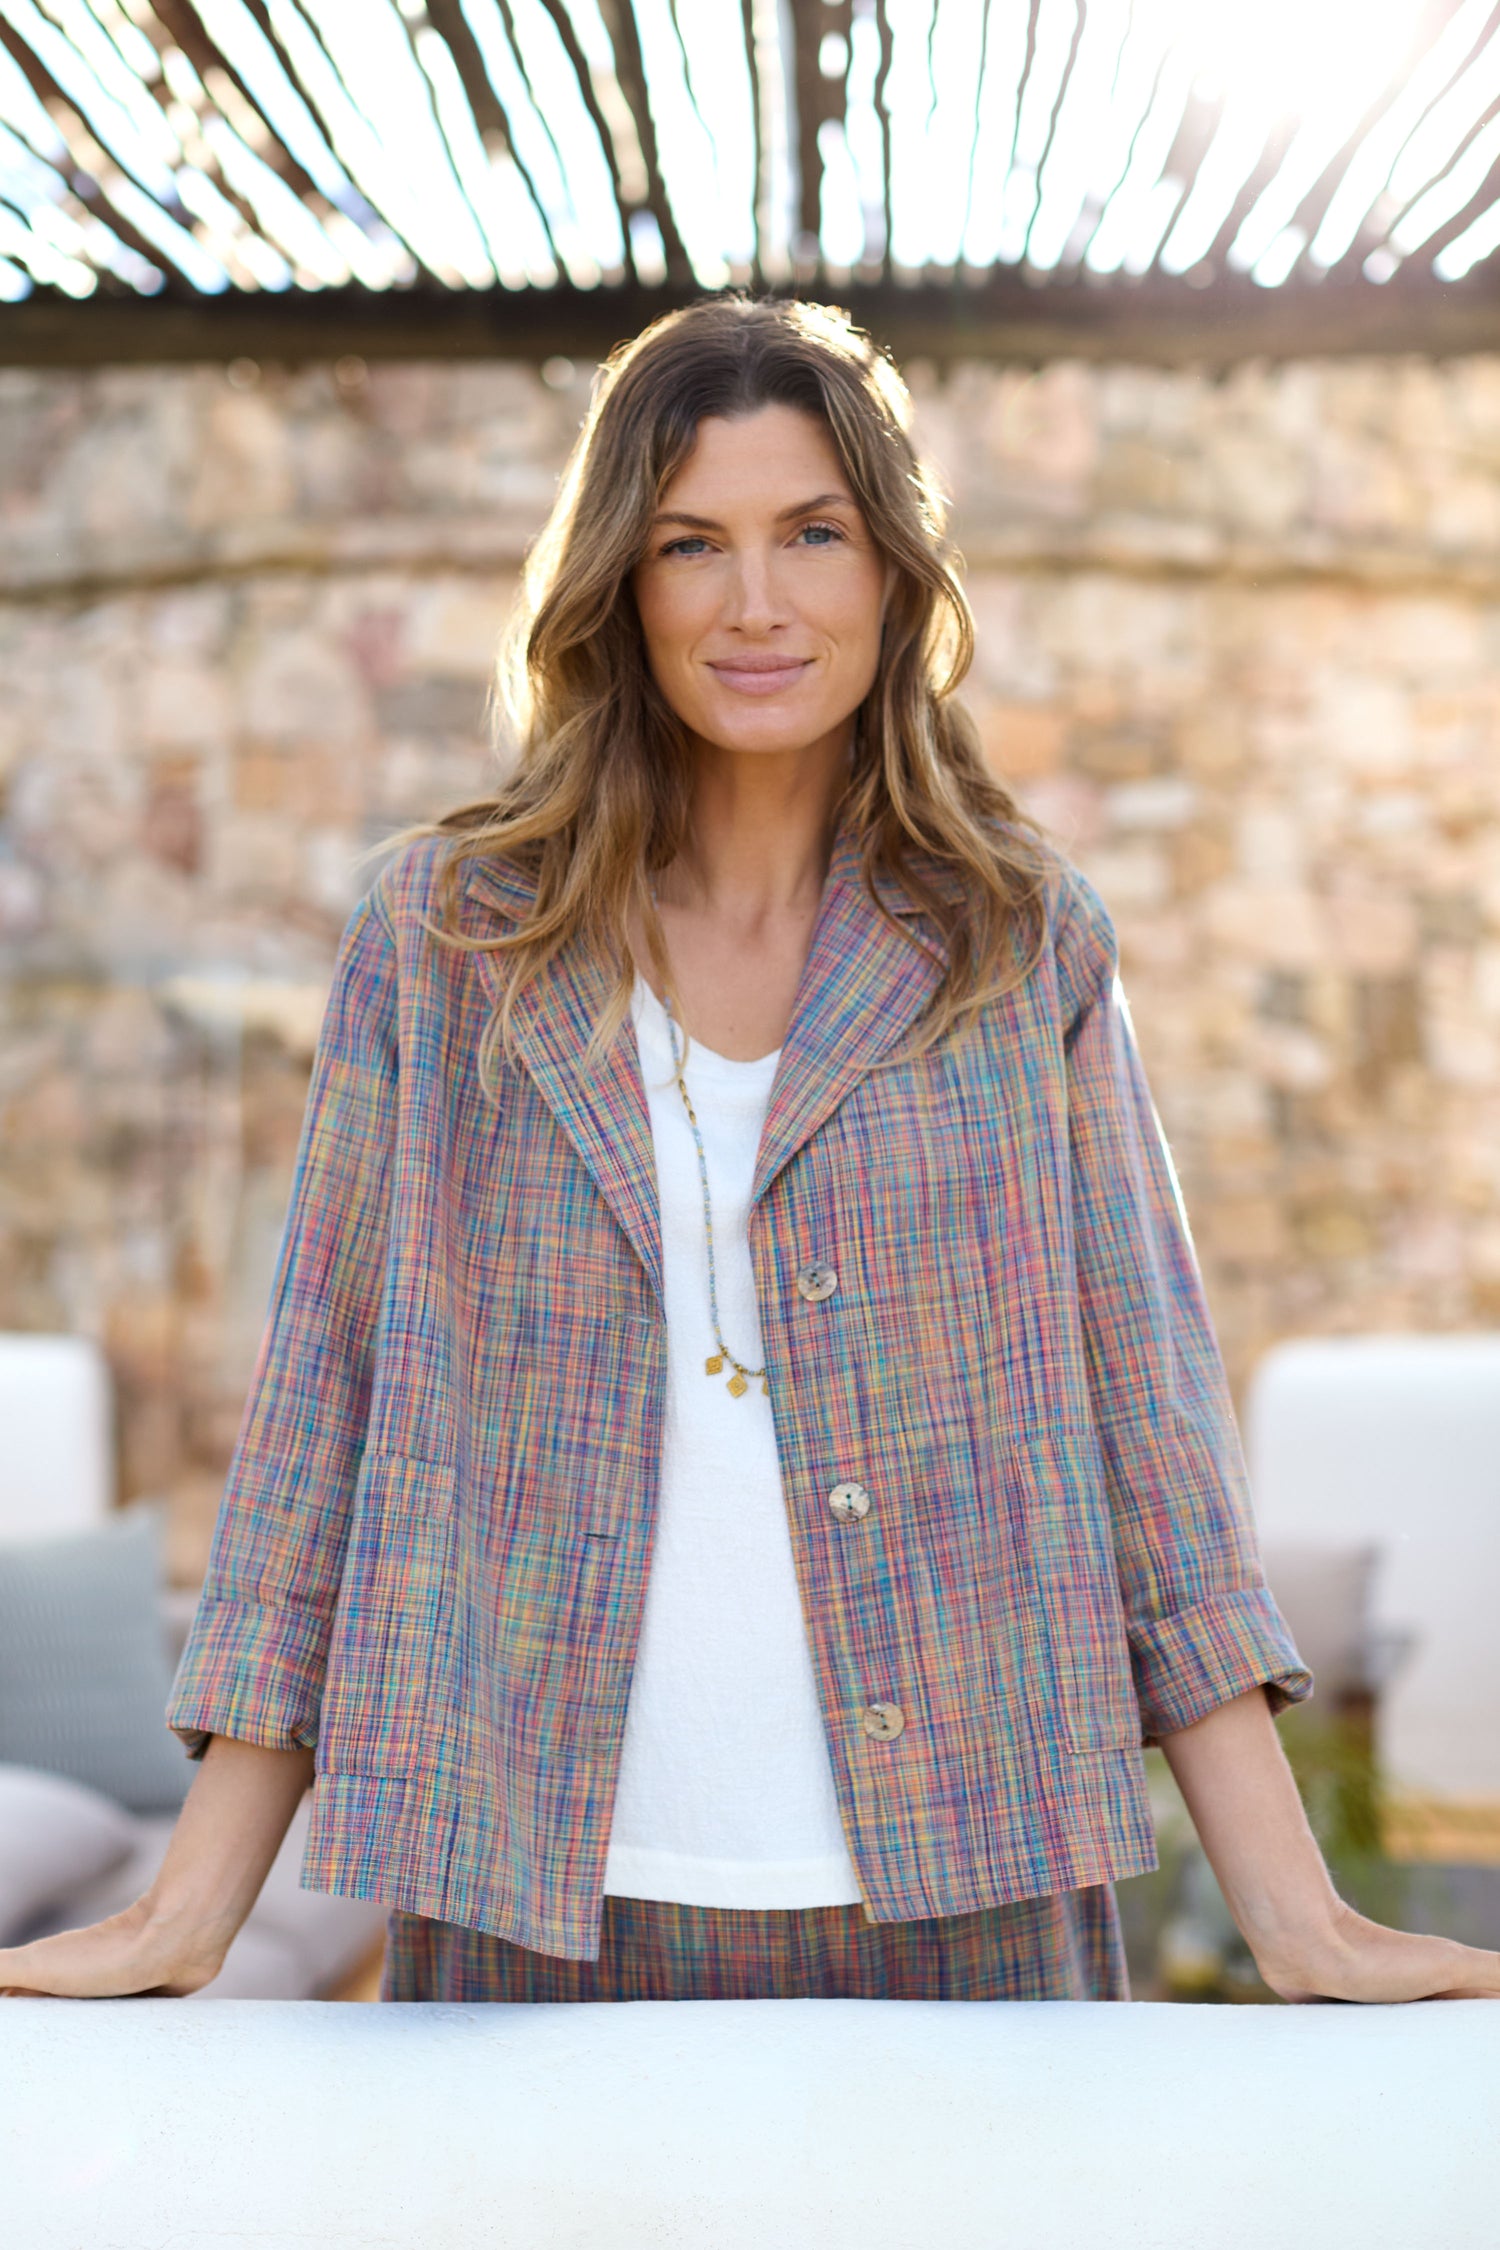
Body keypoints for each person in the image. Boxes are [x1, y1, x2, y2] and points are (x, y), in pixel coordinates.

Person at [4, 297, 1497, 2008]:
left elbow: (1150, 1432)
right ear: (620, 590)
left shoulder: (1021, 948)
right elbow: (320, 1419)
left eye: (813, 534)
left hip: (968, 1893)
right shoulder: (445, 937)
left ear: (892, 573)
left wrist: (1300, 1921)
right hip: (528, 1899)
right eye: (690, 544)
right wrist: (190, 1908)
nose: (758, 601)